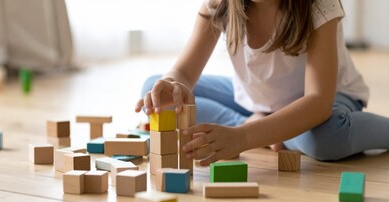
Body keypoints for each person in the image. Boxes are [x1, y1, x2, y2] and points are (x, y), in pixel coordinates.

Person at [135, 0, 389, 166]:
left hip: (328, 100)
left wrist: (243, 138)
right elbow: (183, 71)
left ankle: (255, 128)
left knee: (326, 141)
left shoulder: (319, 5)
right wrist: (173, 82)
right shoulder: (221, 4)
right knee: (157, 89)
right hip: (259, 100)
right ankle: (260, 126)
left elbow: (318, 102)